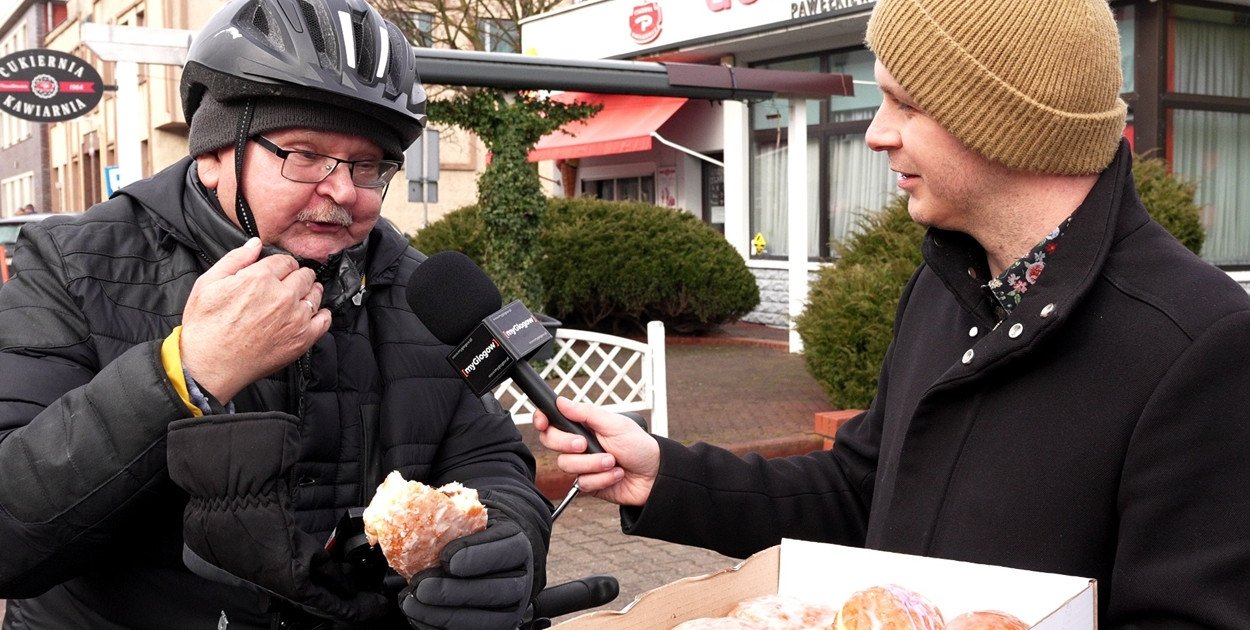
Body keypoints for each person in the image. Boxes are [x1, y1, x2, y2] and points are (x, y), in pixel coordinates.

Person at [535, 0, 1250, 627]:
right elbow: (858, 493)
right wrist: (664, 473)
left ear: (1005, 121)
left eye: (905, 103)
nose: (877, 133)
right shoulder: (946, 286)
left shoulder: (1201, 343)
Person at [0, 1, 550, 628]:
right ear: (211, 155)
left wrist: (507, 546)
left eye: (368, 165)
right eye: (304, 153)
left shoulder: (417, 288)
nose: (342, 190)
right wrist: (186, 374)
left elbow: (490, 464)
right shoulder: (75, 265)